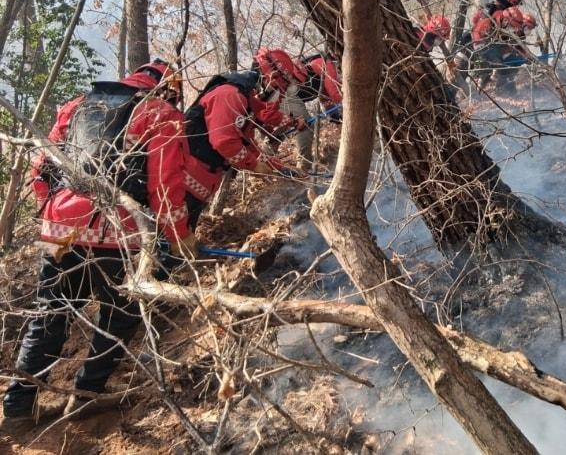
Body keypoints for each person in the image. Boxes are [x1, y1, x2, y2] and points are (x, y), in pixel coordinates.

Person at [2, 60, 195, 432]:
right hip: (119, 234)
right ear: (167, 88)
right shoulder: (160, 113)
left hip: (59, 231)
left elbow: (41, 167)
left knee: (49, 317)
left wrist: (52, 213)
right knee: (120, 315)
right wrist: (178, 235)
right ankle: (86, 396)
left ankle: (17, 407)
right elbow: (165, 184)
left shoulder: (77, 105)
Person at [181, 48, 302, 220]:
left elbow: (248, 146)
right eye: (278, 88)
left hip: (201, 184)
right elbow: (224, 141)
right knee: (168, 240)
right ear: (271, 77)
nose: (278, 96)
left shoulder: (247, 103)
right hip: (183, 181)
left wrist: (280, 168)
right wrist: (253, 165)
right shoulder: (230, 95)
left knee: (181, 236)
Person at [278, 53, 343, 164]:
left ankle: (267, 154)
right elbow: (335, 94)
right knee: (306, 125)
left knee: (282, 127)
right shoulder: (327, 64)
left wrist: (335, 116)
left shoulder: (317, 67)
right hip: (286, 97)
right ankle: (304, 166)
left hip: (284, 98)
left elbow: (326, 95)